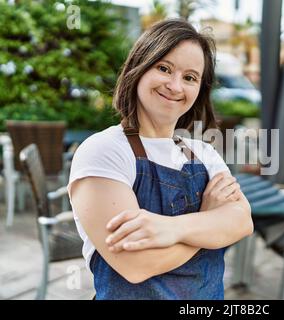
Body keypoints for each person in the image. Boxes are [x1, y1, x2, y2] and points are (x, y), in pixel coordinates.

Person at [68, 19, 254, 300]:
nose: (175, 85)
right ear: (138, 69)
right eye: (164, 68)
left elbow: (241, 222)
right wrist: (209, 222)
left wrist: (169, 229)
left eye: (190, 77)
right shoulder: (104, 151)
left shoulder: (204, 153)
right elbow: (136, 265)